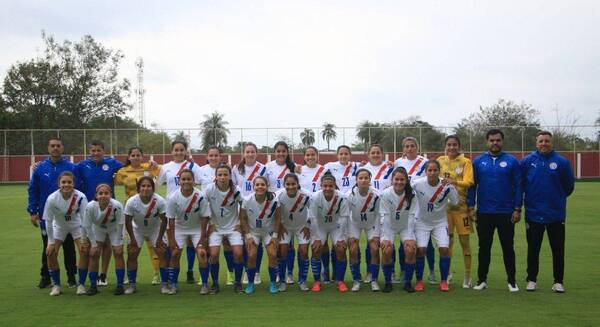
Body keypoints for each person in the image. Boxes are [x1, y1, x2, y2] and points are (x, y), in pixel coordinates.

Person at [468, 129, 522, 292]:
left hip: (506, 212)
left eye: (498, 140)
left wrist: (517, 208)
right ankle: (482, 280)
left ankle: (512, 281)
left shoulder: (511, 161)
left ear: (502, 141)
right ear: (487, 142)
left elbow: (519, 186)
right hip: (484, 212)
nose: (495, 143)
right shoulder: (478, 162)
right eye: (492, 140)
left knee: (508, 247)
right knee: (484, 247)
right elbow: (472, 186)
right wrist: (471, 207)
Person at [521, 131, 574, 293]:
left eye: (547, 141)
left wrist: (556, 199)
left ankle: (558, 281)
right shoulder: (527, 161)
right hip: (533, 213)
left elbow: (569, 186)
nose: (544, 143)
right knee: (533, 249)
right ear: (536, 143)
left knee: (558, 249)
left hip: (555, 214)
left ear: (552, 143)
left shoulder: (562, 162)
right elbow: (520, 184)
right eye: (541, 141)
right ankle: (531, 280)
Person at [27, 137, 78, 289]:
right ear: (48, 148)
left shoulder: (71, 167)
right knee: (48, 247)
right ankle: (46, 276)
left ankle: (71, 277)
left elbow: (78, 188)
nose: (55, 148)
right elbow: (33, 190)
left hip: (68, 216)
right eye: (52, 146)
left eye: (58, 146)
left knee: (69, 247)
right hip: (46, 215)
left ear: (62, 148)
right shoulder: (40, 168)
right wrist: (32, 211)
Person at [75, 140, 123, 287]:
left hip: (109, 209)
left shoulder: (112, 164)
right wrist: (39, 164)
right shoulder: (82, 165)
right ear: (90, 151)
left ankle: (103, 275)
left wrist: (151, 166)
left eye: (99, 150)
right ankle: (90, 278)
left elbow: (130, 166)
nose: (96, 153)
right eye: (93, 150)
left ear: (104, 151)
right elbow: (66, 169)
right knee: (91, 246)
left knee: (108, 245)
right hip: (90, 208)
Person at [114, 146, 162, 285]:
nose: (135, 157)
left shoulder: (149, 167)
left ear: (142, 156)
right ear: (129, 157)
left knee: (152, 245)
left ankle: (156, 274)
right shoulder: (123, 172)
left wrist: (155, 165)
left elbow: (159, 170)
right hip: (131, 210)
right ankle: (131, 276)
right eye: (133, 155)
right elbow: (115, 180)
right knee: (132, 245)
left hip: (149, 208)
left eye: (138, 155)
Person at [157, 140, 202, 284]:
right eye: (176, 150)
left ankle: (189, 271)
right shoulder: (165, 167)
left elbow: (202, 180)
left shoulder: (193, 166)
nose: (178, 152)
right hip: (172, 208)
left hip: (191, 207)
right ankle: (172, 277)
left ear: (185, 151)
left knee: (190, 242)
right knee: (174, 245)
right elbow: (156, 183)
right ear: (171, 151)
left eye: (181, 149)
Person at [394, 136, 437, 284]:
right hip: (405, 205)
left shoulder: (424, 162)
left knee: (427, 242)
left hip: (423, 205)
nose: (410, 148)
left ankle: (431, 271)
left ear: (417, 148)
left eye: (412, 146)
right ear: (403, 149)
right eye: (407, 146)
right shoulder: (398, 163)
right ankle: (404, 270)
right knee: (404, 241)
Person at [412, 160, 458, 292]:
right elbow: (405, 188)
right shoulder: (418, 184)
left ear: (439, 171)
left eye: (435, 170)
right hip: (422, 222)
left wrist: (452, 185)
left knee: (444, 249)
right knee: (421, 250)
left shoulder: (446, 185)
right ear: (425, 172)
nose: (432, 173)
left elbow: (455, 202)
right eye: (429, 170)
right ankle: (419, 281)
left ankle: (444, 281)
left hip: (440, 222)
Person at [42, 171, 89, 296]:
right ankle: (56, 285)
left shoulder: (81, 197)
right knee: (51, 253)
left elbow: (85, 219)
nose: (66, 185)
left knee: (84, 251)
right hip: (59, 226)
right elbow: (48, 221)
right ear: (59, 184)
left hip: (76, 226)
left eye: (69, 182)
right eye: (63, 182)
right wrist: (51, 242)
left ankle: (81, 285)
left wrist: (84, 239)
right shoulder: (52, 198)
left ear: (74, 184)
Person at [437, 135, 474, 288]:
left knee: (464, 242)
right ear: (445, 146)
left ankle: (467, 275)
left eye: (454, 145)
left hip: (461, 209)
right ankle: (447, 273)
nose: (452, 147)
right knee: (447, 243)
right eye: (449, 144)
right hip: (445, 211)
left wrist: (454, 182)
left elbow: (469, 182)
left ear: (459, 146)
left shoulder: (466, 162)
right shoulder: (440, 160)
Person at [166, 169, 211, 295]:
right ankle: (174, 285)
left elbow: (204, 218)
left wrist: (203, 237)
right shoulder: (173, 197)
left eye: (189, 179)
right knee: (174, 254)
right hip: (179, 228)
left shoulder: (200, 196)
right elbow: (170, 219)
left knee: (202, 254)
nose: (186, 181)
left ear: (193, 181)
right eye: (183, 179)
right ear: (179, 181)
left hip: (197, 228)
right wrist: (172, 239)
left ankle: (205, 284)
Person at [123, 177, 169, 295]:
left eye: (148, 186)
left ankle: (164, 285)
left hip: (155, 228)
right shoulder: (132, 201)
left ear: (153, 188)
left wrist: (159, 239)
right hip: (137, 229)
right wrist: (132, 239)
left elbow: (164, 221)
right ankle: (132, 285)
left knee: (161, 252)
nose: (145, 188)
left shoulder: (160, 201)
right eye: (143, 186)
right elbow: (128, 221)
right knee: (132, 253)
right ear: (138, 188)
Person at [204, 163, 245, 293]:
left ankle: (238, 283)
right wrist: (209, 224)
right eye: (219, 175)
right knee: (214, 254)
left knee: (238, 254)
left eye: (225, 174)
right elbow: (203, 208)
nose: (222, 177)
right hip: (216, 227)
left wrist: (240, 224)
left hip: (234, 227)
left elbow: (243, 207)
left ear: (230, 176)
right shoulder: (210, 189)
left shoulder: (236, 190)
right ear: (215, 177)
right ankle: (215, 284)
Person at [239, 176, 282, 294]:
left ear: (267, 186)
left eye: (262, 184)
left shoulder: (274, 201)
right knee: (252, 255)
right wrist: (248, 236)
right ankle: (251, 283)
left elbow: (278, 219)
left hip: (268, 232)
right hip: (253, 232)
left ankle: (273, 283)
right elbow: (243, 219)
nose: (260, 187)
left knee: (273, 255)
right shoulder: (247, 200)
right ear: (253, 187)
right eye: (257, 185)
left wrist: (275, 236)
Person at [308, 172, 349, 293]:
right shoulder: (315, 197)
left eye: (330, 186)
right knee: (316, 248)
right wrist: (315, 237)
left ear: (335, 186)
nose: (328, 188)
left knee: (341, 249)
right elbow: (313, 218)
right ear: (321, 186)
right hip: (320, 226)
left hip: (336, 227)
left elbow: (343, 218)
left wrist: (341, 238)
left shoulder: (342, 198)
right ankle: (317, 281)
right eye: (325, 186)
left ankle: (340, 281)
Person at [82, 184, 125, 295]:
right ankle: (93, 286)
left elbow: (120, 224)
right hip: (98, 228)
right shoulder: (90, 206)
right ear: (96, 195)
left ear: (111, 194)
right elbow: (87, 225)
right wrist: (93, 244)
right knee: (94, 253)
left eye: (106, 193)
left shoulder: (117, 205)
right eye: (100, 193)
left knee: (118, 252)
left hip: (114, 228)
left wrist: (119, 242)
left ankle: (120, 285)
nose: (103, 195)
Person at [380, 167, 417, 293]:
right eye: (396, 179)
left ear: (406, 180)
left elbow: (413, 216)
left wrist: (410, 238)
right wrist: (386, 239)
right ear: (392, 180)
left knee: (410, 249)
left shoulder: (412, 195)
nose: (399, 182)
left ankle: (408, 282)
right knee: (386, 250)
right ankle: (388, 282)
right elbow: (384, 216)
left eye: (402, 179)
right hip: (389, 226)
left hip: (405, 226)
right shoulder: (385, 194)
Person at [265, 141, 297, 284]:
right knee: (277, 242)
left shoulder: (294, 167)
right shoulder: (268, 167)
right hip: (274, 207)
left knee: (289, 243)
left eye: (283, 151)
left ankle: (289, 273)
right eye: (278, 151)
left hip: (290, 207)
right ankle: (278, 272)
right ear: (274, 152)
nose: (281, 153)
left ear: (287, 152)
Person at [361, 144, 393, 284]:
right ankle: (370, 271)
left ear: (382, 153)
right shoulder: (362, 168)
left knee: (388, 242)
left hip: (386, 210)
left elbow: (397, 182)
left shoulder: (390, 167)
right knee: (371, 244)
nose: (375, 155)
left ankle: (390, 272)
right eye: (372, 152)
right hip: (369, 211)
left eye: (378, 152)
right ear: (368, 155)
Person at [346, 168, 382, 292]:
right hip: (354, 223)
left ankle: (374, 279)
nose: (363, 180)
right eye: (360, 178)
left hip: (372, 223)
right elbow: (346, 213)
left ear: (370, 179)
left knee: (374, 248)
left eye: (366, 178)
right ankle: (356, 280)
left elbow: (379, 213)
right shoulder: (349, 194)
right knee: (353, 248)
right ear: (356, 180)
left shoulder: (377, 194)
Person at [276, 174, 311, 291]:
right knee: (282, 251)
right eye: (288, 184)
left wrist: (307, 225)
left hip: (301, 226)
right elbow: (274, 211)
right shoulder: (279, 195)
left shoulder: (306, 195)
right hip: (285, 226)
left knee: (304, 251)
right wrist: (279, 225)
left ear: (297, 184)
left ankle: (302, 280)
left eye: (293, 184)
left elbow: (314, 210)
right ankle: (282, 280)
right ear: (284, 185)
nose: (291, 187)